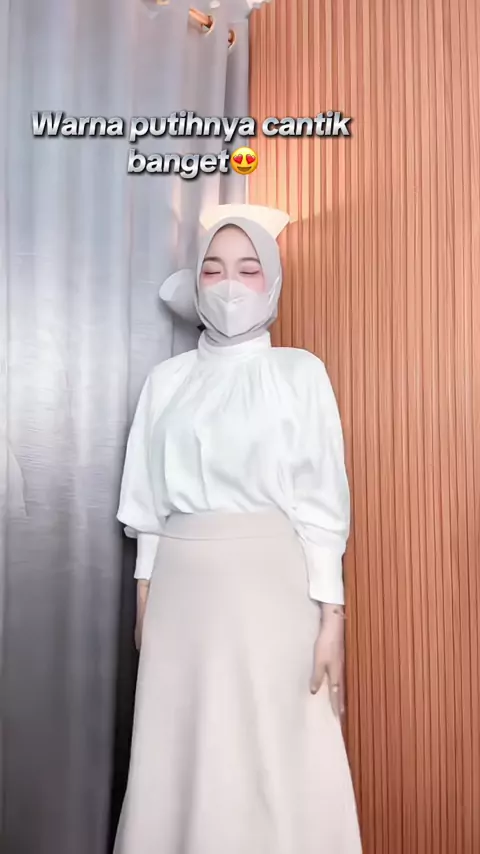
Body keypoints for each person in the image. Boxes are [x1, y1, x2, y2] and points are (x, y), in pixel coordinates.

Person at [114, 214, 362, 853]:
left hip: (273, 588)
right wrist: (144, 599)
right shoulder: (167, 381)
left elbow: (321, 502)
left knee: (274, 747)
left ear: (272, 282)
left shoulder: (299, 372)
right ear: (196, 282)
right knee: (183, 751)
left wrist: (331, 617)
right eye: (214, 269)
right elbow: (147, 502)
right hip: (180, 594)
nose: (230, 284)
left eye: (248, 270)